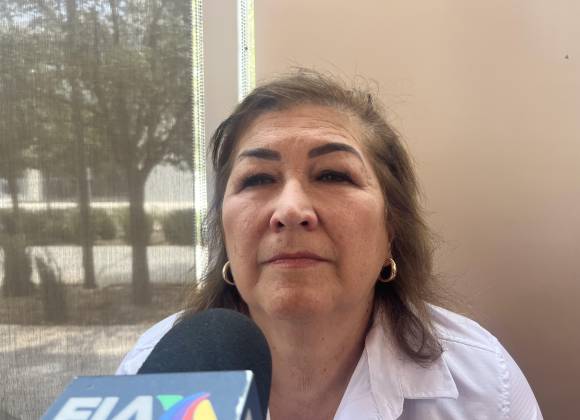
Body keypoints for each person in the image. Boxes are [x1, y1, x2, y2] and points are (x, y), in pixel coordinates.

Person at [117, 70, 543, 419]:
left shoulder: (485, 388)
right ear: (225, 235)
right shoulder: (153, 376)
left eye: (333, 175)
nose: (291, 210)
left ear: (391, 229)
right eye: (258, 179)